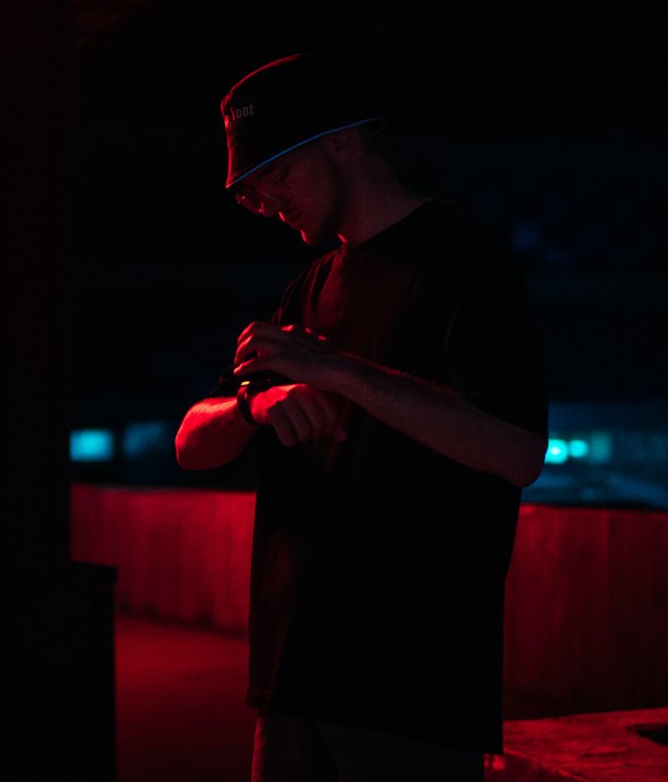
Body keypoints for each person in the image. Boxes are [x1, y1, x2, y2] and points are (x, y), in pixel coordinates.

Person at [175, 52, 549, 782]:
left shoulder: (464, 257)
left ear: (342, 140)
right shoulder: (307, 288)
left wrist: (341, 371)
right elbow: (191, 444)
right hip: (291, 675)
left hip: (409, 684)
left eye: (277, 173)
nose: (267, 202)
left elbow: (518, 451)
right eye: (251, 192)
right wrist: (255, 405)